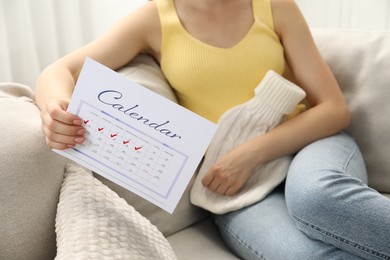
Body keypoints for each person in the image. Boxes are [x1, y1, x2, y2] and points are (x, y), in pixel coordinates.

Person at [35, 0, 390, 259]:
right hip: (232, 187)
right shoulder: (154, 19)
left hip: (312, 144)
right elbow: (59, 71)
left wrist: (252, 153)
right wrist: (55, 109)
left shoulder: (274, 7)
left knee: (316, 198)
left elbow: (333, 109)